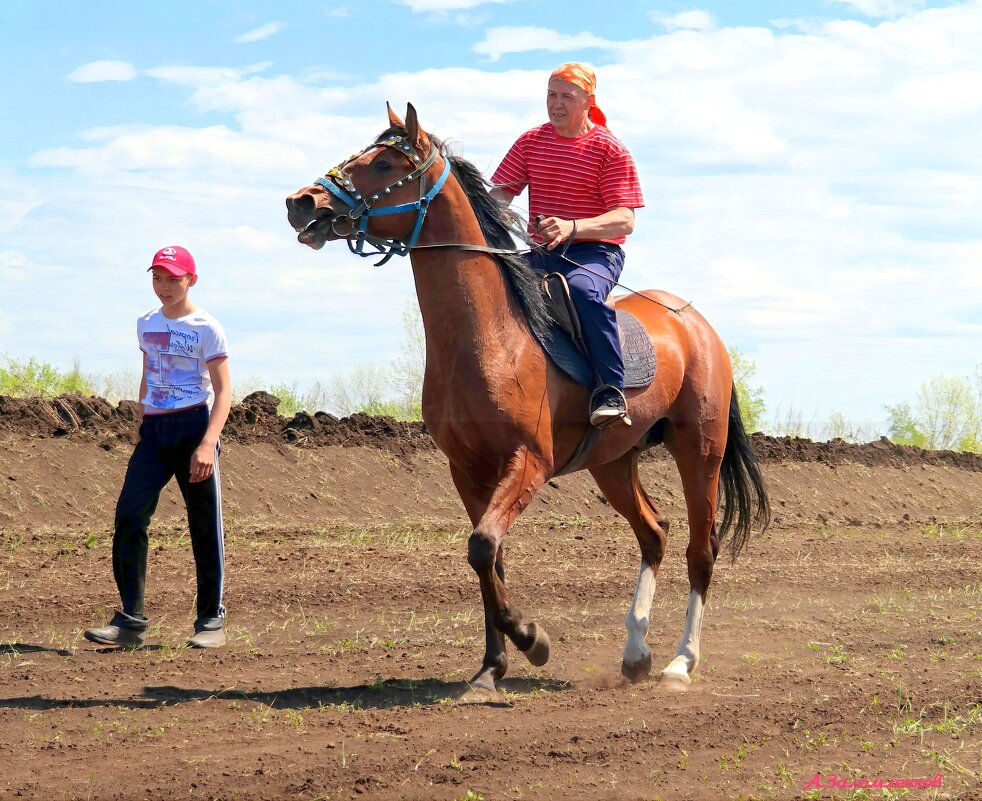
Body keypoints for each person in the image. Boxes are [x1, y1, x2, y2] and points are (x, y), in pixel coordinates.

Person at [84, 245, 232, 649]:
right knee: (129, 516)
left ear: (191, 280)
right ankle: (131, 620)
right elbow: (148, 371)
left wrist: (207, 444)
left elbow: (224, 392)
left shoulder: (207, 327)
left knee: (204, 526)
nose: (164, 287)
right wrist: (140, 422)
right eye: (157, 278)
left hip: (193, 427)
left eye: (173, 279)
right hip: (154, 432)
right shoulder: (145, 323)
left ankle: (209, 621)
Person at [490, 62, 644, 427]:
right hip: (542, 253)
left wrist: (573, 227)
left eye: (567, 97)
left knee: (582, 292)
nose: (556, 104)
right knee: (492, 287)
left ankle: (610, 389)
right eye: (551, 95)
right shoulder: (531, 141)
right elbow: (499, 196)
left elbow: (625, 220)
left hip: (596, 253)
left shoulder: (610, 149)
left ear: (588, 101)